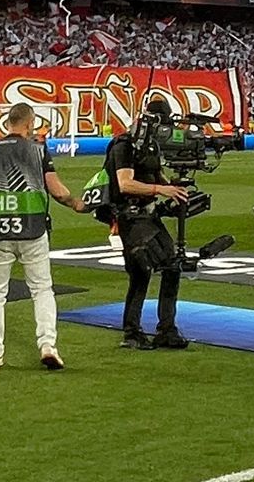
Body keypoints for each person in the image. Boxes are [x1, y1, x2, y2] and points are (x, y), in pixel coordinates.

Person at [0, 104, 84, 371]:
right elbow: (56, 189)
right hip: (32, 229)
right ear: (29, 123)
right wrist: (75, 203)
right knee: (42, 290)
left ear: (7, 123)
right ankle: (47, 346)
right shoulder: (37, 150)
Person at [107, 100, 195, 349]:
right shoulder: (124, 145)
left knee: (168, 267)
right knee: (144, 272)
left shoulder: (150, 147)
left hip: (147, 215)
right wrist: (161, 189)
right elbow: (125, 183)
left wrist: (175, 191)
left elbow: (157, 175)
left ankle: (159, 329)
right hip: (129, 216)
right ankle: (138, 332)